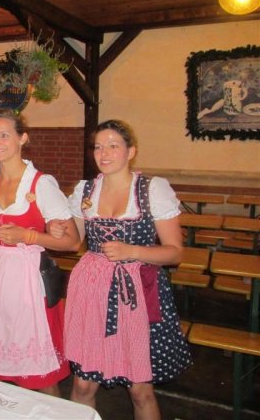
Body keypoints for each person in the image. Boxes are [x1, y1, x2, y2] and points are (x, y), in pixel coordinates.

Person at [62, 119, 191, 419]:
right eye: (98, 147)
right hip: (92, 291)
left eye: (113, 146)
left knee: (140, 389)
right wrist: (58, 230)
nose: (104, 153)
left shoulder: (151, 190)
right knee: (82, 384)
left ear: (131, 151)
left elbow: (175, 253)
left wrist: (131, 251)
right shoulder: (85, 191)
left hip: (137, 295)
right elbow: (73, 241)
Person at [0, 109, 79, 396]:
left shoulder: (41, 184)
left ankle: (51, 414)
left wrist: (29, 236)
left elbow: (72, 242)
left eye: (4, 135)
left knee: (35, 369)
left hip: (25, 278)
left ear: (23, 138)